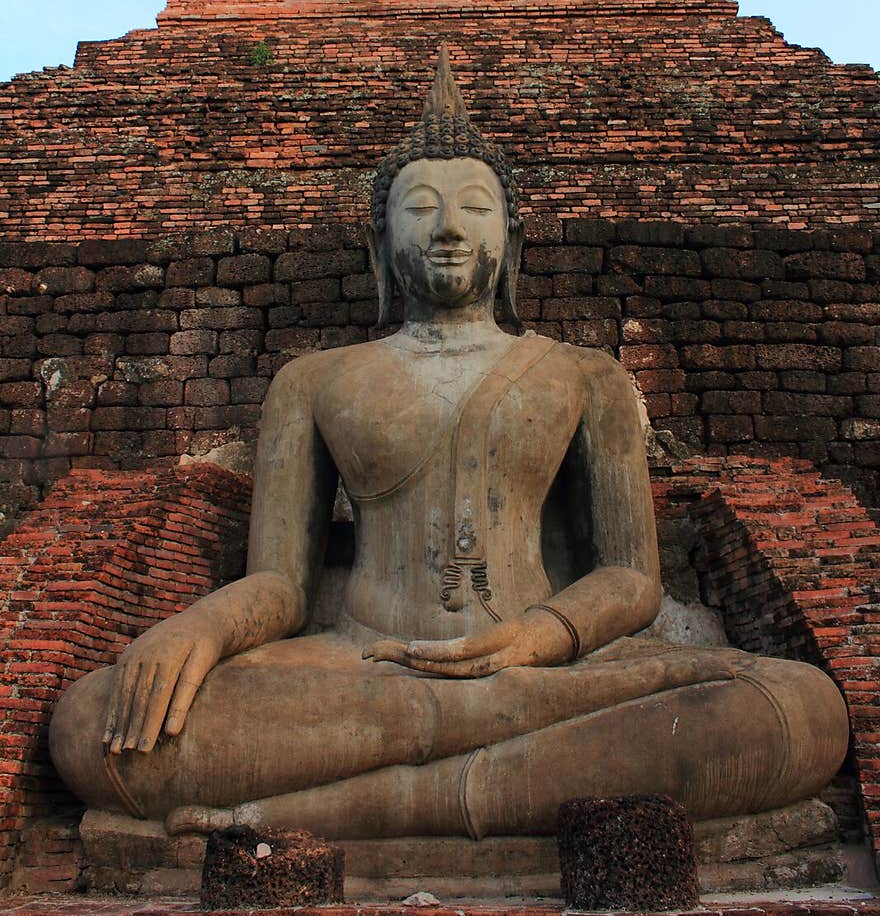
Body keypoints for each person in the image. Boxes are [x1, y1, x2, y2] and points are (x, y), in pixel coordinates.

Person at [50, 50, 849, 840]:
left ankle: (339, 807)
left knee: (796, 710)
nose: (447, 228)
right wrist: (202, 628)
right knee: (95, 724)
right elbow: (280, 583)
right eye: (420, 206)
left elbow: (631, 579)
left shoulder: (583, 375)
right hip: (366, 672)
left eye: (475, 206)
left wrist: (540, 638)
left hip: (545, 671)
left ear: (514, 236)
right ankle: (496, 779)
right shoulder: (316, 380)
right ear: (378, 242)